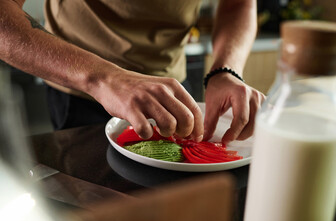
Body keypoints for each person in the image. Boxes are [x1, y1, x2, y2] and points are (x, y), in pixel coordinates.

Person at [0, 0, 265, 145]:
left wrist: (225, 70)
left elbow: (238, 5)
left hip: (173, 90)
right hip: (85, 90)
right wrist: (104, 78)